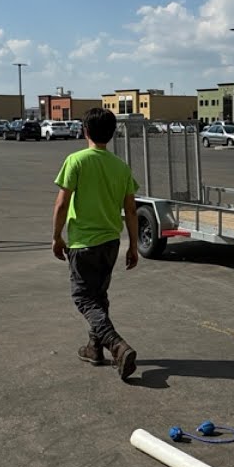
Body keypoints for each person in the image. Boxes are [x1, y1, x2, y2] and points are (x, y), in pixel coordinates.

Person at [52, 107, 141, 380]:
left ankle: (117, 345)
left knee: (84, 298)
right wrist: (133, 246)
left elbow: (62, 202)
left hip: (83, 244)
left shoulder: (76, 160)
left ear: (85, 131)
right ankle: (94, 347)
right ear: (112, 134)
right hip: (110, 243)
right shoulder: (120, 166)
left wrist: (57, 237)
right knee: (98, 297)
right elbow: (131, 210)